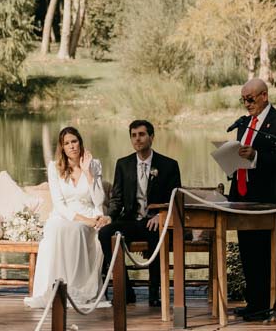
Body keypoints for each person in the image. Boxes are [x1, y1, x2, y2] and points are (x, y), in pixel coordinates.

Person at [227, 78, 276, 320]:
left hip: (270, 200)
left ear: (264, 96)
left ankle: (274, 302)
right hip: (244, 199)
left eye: (250, 99)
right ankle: (254, 303)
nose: (247, 104)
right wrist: (230, 161)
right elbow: (241, 158)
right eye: (243, 100)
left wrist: (256, 155)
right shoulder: (244, 124)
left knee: (272, 253)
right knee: (249, 253)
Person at [25, 126, 111, 310]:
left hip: (90, 213)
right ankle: (57, 286)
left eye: (74, 141)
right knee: (59, 229)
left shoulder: (94, 164)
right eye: (67, 143)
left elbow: (99, 200)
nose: (71, 146)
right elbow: (59, 204)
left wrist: (88, 173)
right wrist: (82, 219)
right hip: (64, 215)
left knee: (78, 230)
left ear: (80, 142)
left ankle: (76, 287)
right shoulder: (54, 167)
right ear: (62, 147)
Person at [98, 119, 183, 304]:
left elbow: (175, 198)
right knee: (104, 234)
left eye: (142, 134)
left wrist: (161, 215)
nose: (137, 139)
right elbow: (117, 198)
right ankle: (126, 291)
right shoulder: (123, 164)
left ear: (151, 137)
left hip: (155, 221)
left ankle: (154, 293)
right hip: (130, 220)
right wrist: (110, 216)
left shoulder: (169, 165)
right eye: (134, 135)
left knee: (155, 233)